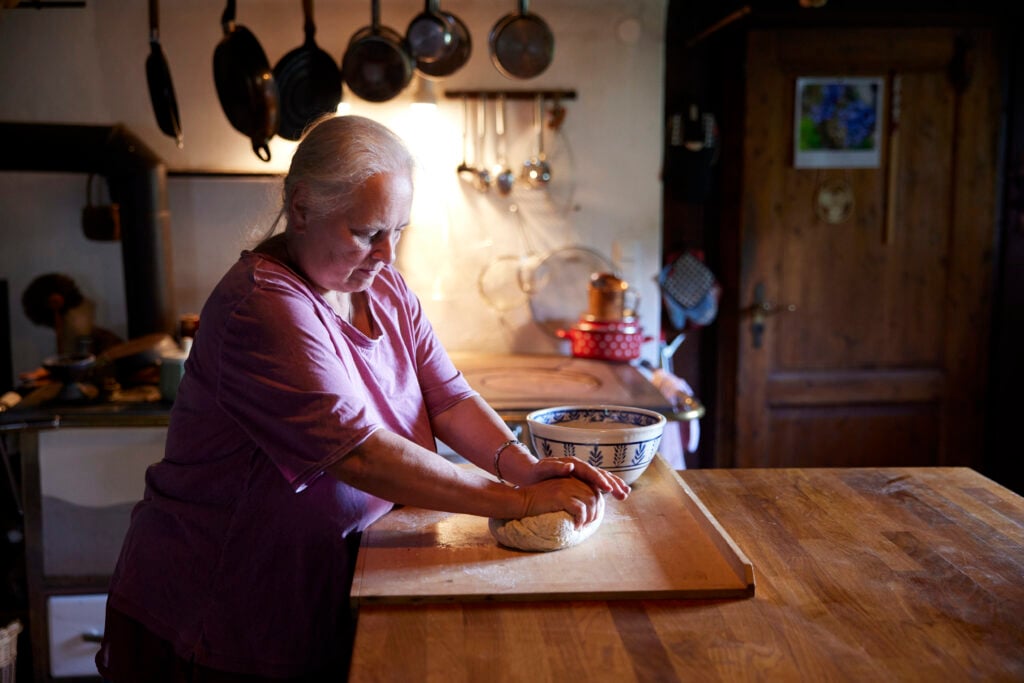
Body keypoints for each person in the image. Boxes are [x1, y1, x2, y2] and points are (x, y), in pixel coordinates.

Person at [96, 114, 630, 682]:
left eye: (398, 230)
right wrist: (518, 504)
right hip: (221, 608)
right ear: (301, 208)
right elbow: (361, 455)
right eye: (367, 232)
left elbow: (447, 396)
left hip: (320, 588)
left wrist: (524, 469)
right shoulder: (264, 306)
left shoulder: (383, 287)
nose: (388, 255)